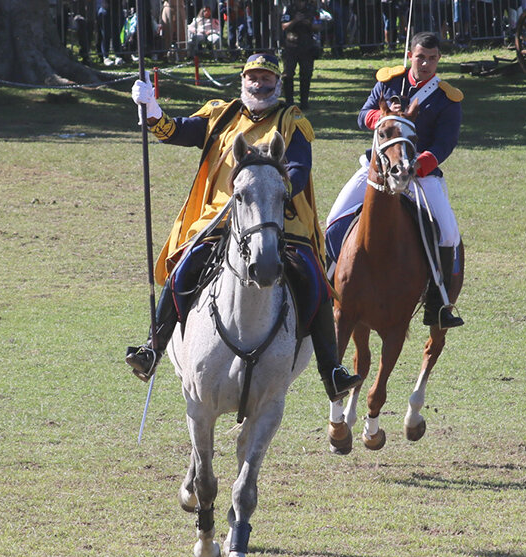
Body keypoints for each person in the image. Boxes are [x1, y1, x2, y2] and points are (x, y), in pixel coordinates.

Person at [126, 53, 361, 401]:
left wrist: (273, 194)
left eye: (266, 78)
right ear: (243, 79)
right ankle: (153, 347)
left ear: (277, 83)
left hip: (277, 220)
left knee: (314, 277)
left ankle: (332, 370)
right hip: (219, 220)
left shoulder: (292, 121)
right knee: (185, 268)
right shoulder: (220, 116)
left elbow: (297, 169)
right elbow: (175, 131)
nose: (259, 84)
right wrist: (151, 109)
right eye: (253, 77)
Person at [325, 31, 465, 330]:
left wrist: (420, 164)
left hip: (420, 175)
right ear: (411, 55)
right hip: (378, 169)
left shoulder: (446, 99)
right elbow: (363, 115)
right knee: (334, 218)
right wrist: (384, 116)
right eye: (420, 57)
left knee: (449, 234)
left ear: (438, 60)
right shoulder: (390, 82)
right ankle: (325, 285)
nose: (425, 64)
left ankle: (437, 302)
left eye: (431, 59)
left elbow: (445, 143)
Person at [281, 0, 320, 110]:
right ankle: (289, 102)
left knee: (306, 74)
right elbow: (284, 26)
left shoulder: (312, 9)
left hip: (307, 46)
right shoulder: (289, 9)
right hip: (291, 46)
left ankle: (304, 102)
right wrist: (295, 20)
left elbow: (319, 26)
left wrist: (309, 24)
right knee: (288, 74)